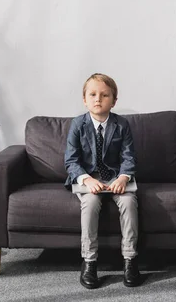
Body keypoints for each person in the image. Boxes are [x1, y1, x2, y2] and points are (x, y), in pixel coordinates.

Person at [64, 73, 142, 289]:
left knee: (128, 202)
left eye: (104, 95)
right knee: (90, 204)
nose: (98, 99)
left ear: (114, 101)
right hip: (88, 178)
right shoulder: (78, 125)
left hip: (116, 177)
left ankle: (130, 260)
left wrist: (124, 177)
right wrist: (86, 179)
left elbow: (129, 156)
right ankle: (89, 262)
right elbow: (71, 160)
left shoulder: (122, 124)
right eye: (93, 94)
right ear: (84, 99)